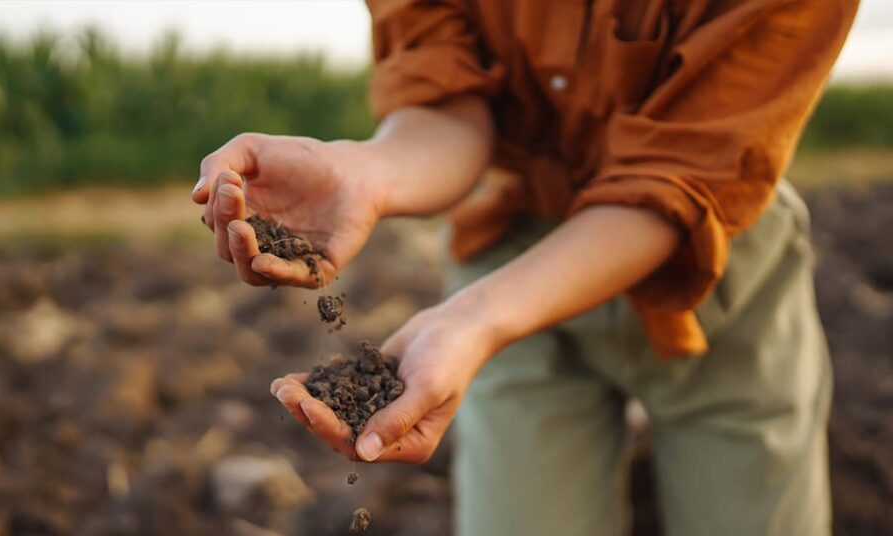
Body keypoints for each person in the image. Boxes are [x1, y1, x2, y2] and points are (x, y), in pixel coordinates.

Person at [191, 1, 858, 534]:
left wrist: (475, 316)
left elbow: (679, 179)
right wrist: (360, 172)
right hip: (511, 256)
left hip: (711, 264)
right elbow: (449, 105)